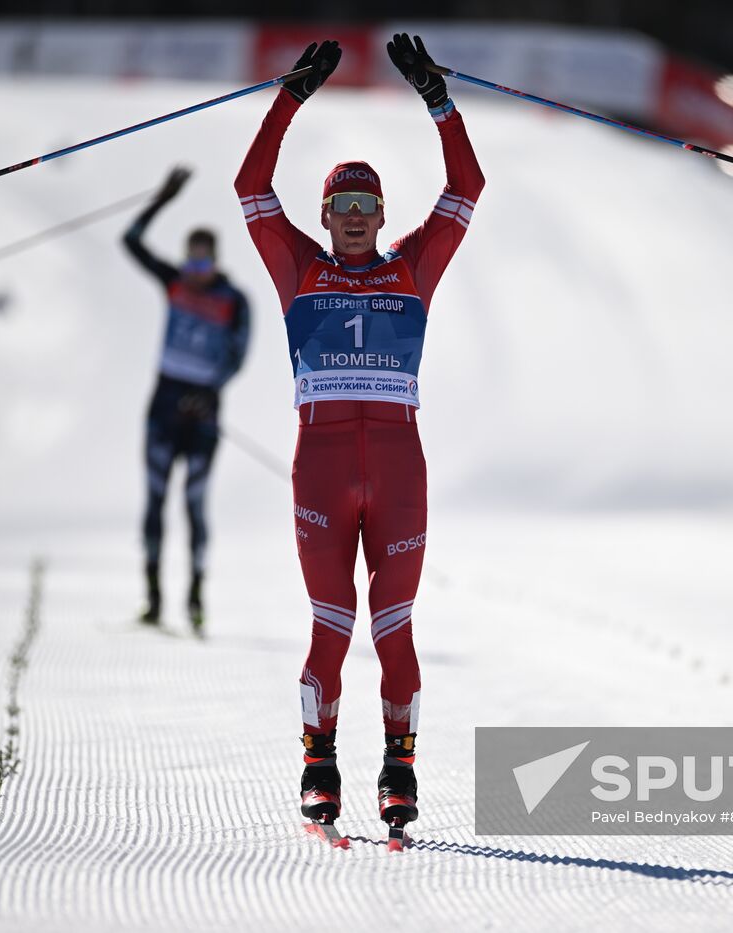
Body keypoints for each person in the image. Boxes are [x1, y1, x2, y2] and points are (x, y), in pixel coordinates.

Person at [234, 34, 484, 831]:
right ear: (323, 216)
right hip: (323, 472)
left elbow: (469, 185)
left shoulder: (413, 268)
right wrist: (292, 98)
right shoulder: (297, 269)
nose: (350, 220)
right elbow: (249, 184)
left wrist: (438, 101)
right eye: (339, 207)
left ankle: (398, 770)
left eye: (364, 208)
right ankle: (319, 761)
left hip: (400, 473)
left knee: (396, 628)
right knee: (332, 625)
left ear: (383, 215)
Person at [123, 167, 251, 633]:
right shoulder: (174, 282)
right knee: (154, 503)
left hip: (203, 413)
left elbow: (238, 356)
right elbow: (131, 242)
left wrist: (210, 391)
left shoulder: (234, 299)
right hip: (163, 405)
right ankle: (153, 600)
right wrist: (161, 200)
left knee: (195, 504)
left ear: (215, 263)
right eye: (191, 264)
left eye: (204, 265)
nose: (196, 273)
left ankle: (196, 597)